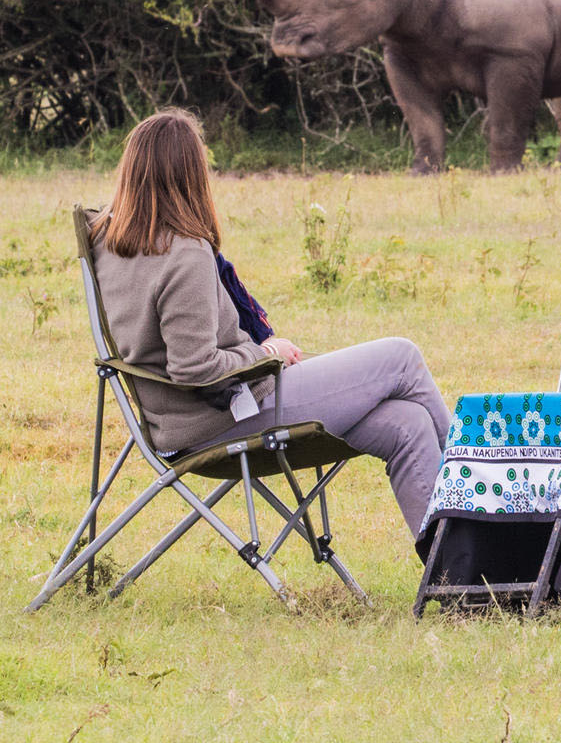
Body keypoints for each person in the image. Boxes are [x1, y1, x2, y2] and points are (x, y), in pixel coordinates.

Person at [90, 108, 451, 541]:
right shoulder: (183, 255)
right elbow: (194, 369)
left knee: (406, 423)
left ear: (131, 172)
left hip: (186, 418)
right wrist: (265, 353)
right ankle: (479, 491)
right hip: (224, 417)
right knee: (401, 358)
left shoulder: (108, 239)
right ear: (191, 176)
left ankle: (452, 567)